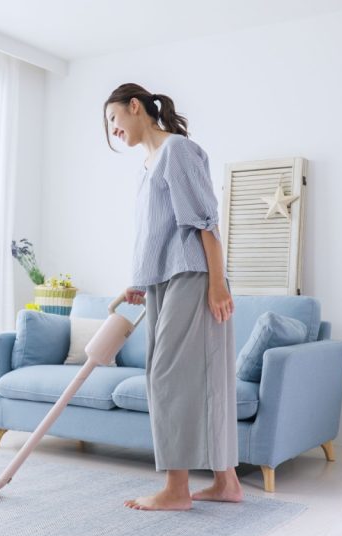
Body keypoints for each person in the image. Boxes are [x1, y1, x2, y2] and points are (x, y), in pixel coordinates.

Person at [103, 83, 243, 511]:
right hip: (164, 280)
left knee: (166, 378)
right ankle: (227, 483)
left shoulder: (177, 150)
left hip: (193, 274)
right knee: (205, 377)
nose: (113, 130)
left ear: (134, 107)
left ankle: (177, 489)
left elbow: (204, 221)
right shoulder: (147, 165)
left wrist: (217, 283)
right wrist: (140, 281)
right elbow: (155, 235)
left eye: (113, 119)